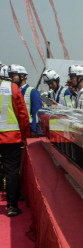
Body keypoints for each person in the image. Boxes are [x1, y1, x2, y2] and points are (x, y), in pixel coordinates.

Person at [0, 75, 30, 216]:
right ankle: (12, 206)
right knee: (12, 171)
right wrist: (25, 135)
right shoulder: (12, 88)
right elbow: (23, 114)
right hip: (10, 137)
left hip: (9, 136)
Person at [8, 64, 43, 136]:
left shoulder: (33, 92)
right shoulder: (12, 91)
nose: (11, 78)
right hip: (17, 130)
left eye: (13, 76)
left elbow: (36, 113)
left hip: (29, 129)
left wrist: (34, 130)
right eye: (10, 76)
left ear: (22, 76)